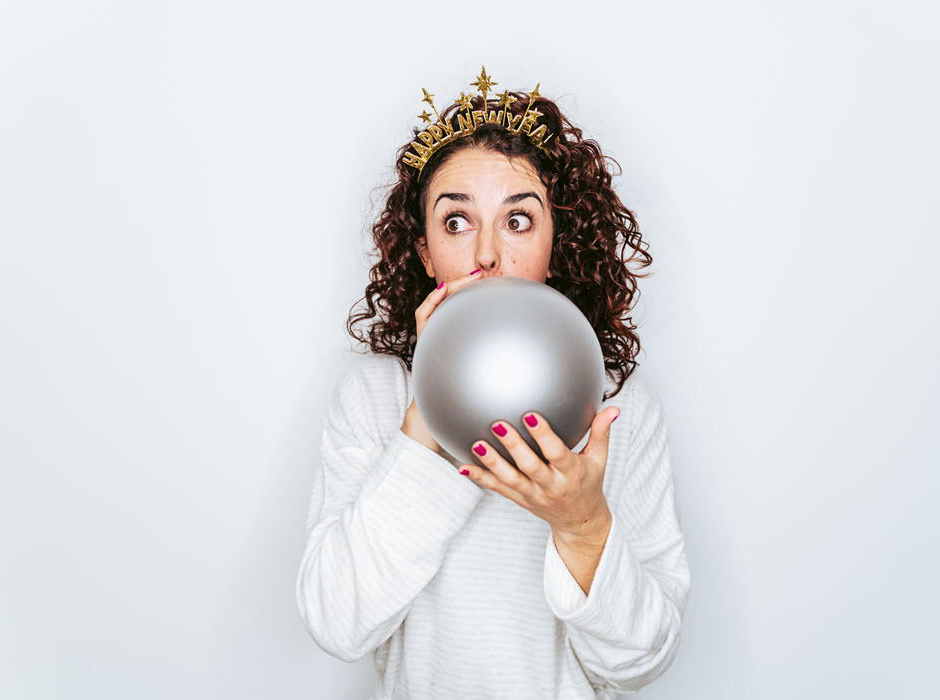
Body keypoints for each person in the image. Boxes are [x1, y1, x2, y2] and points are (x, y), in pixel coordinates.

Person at [296, 67, 691, 699]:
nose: (486, 254)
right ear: (425, 252)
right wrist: (429, 413)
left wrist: (582, 524)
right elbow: (336, 624)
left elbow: (640, 663)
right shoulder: (374, 396)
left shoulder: (618, 407)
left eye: (518, 221)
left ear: (555, 244)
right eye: (456, 221)